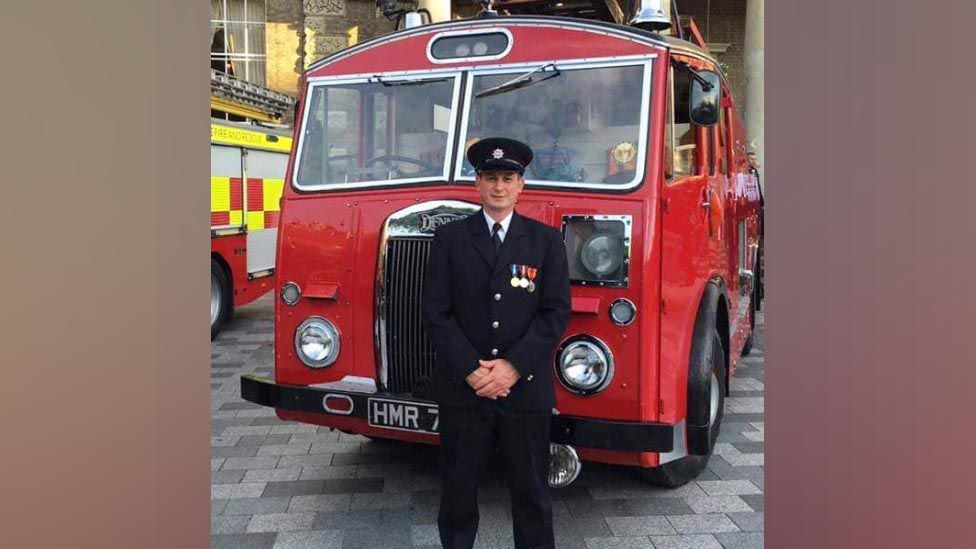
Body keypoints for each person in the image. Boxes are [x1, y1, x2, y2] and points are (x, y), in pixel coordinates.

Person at [421, 137, 571, 549]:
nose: (499, 186)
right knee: (457, 492)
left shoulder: (545, 241)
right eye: (490, 178)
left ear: (522, 185)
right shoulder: (450, 240)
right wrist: (472, 369)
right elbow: (436, 312)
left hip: (524, 389)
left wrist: (512, 367)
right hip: (464, 390)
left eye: (508, 178)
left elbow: (554, 312)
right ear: (478, 184)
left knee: (532, 494)